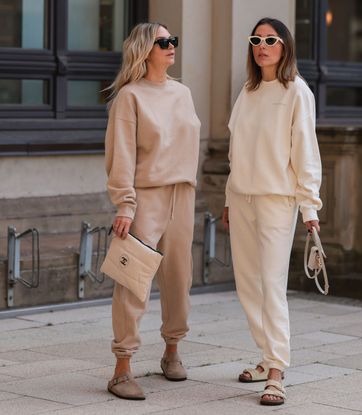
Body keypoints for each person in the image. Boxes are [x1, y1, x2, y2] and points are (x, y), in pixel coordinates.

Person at [222, 17, 322, 406]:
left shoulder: (297, 91)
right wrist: (229, 200)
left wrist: (310, 207)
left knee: (271, 284)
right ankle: (266, 357)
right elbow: (235, 154)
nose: (262, 45)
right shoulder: (247, 92)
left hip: (278, 202)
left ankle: (277, 369)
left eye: (271, 39)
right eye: (256, 39)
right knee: (248, 284)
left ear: (285, 46)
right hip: (243, 199)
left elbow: (306, 154)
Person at [104, 22, 200, 400]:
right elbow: (122, 154)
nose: (171, 46)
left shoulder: (183, 92)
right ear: (145, 49)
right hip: (145, 198)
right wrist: (125, 204)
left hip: (183, 196)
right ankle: (122, 367)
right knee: (132, 282)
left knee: (179, 279)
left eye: (173, 40)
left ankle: (172, 350)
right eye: (163, 42)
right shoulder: (130, 97)